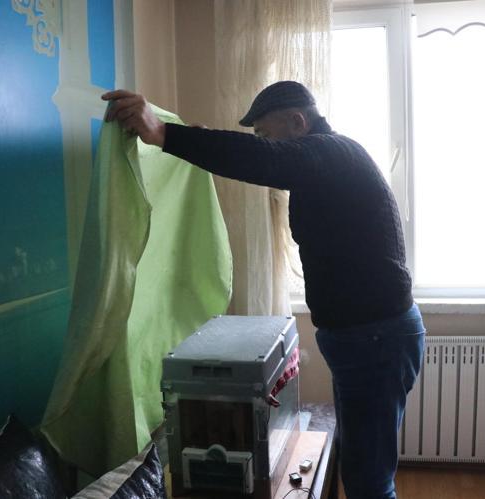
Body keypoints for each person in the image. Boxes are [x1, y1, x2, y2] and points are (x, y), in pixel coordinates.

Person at [102, 81, 426, 499]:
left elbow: (264, 160)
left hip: (375, 341)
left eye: (267, 134)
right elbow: (259, 157)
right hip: (369, 340)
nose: (264, 144)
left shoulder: (331, 153)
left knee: (370, 482)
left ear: (298, 122)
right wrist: (201, 143)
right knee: (361, 468)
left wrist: (164, 134)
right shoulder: (328, 163)